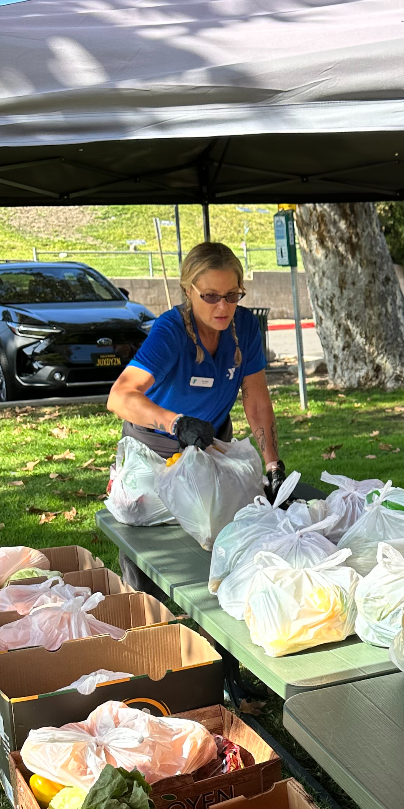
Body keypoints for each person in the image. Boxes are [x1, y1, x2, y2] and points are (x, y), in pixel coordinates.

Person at [108, 240, 285, 591]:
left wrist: (273, 465)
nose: (223, 306)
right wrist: (176, 422)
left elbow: (256, 400)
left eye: (232, 296)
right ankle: (145, 623)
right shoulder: (170, 331)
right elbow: (120, 396)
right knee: (149, 549)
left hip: (210, 444)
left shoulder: (245, 328)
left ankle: (222, 630)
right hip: (154, 449)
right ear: (189, 291)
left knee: (224, 540)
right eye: (210, 296)